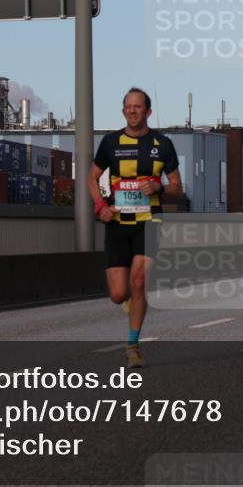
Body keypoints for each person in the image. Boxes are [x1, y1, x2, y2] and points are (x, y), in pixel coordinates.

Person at [89, 87, 183, 368]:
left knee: (139, 281)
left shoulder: (162, 144)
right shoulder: (109, 143)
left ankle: (133, 346)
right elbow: (92, 179)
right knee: (119, 294)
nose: (132, 110)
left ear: (148, 111)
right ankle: (132, 300)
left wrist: (160, 187)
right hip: (118, 222)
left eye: (137, 106)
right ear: (123, 111)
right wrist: (100, 207)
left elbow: (178, 189)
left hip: (149, 220)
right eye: (128, 106)